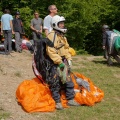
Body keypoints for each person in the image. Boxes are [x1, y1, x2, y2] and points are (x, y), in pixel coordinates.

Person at [46, 15, 80, 110]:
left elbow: (66, 48)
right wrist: (59, 62)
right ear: (55, 24)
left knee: (68, 80)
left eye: (62, 23)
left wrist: (69, 59)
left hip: (63, 61)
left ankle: (70, 99)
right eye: (60, 23)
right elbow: (50, 51)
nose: (62, 25)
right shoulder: (51, 36)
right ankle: (57, 102)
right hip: (54, 63)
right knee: (55, 82)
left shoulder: (62, 36)